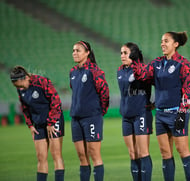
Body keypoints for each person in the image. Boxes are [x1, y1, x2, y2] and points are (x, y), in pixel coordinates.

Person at [131, 31, 190, 181]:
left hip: (176, 113)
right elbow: (142, 75)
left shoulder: (183, 64)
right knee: (165, 153)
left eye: (166, 41)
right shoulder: (156, 63)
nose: (162, 44)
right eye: (161, 41)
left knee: (182, 150)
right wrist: (136, 60)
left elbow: (189, 90)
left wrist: (182, 113)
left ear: (176, 44)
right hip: (160, 114)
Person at [10, 66, 65, 181]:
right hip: (38, 124)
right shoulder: (20, 89)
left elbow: (55, 101)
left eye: (20, 85)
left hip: (54, 120)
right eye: (17, 86)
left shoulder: (41, 82)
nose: (20, 88)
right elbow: (25, 108)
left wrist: (51, 122)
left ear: (24, 78)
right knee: (41, 157)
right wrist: (30, 125)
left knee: (56, 155)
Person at [70, 40, 109, 181]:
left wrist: (99, 112)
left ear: (87, 53)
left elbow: (104, 92)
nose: (75, 53)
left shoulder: (95, 71)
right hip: (75, 119)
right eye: (73, 50)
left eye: (78, 50)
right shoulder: (73, 72)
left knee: (94, 154)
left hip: (92, 117)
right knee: (82, 156)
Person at [117, 42, 153, 181]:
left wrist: (152, 103)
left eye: (125, 53)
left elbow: (154, 84)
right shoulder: (120, 70)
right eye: (121, 53)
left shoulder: (143, 69)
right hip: (126, 116)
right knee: (132, 153)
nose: (122, 56)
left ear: (133, 54)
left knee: (143, 152)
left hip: (141, 114)